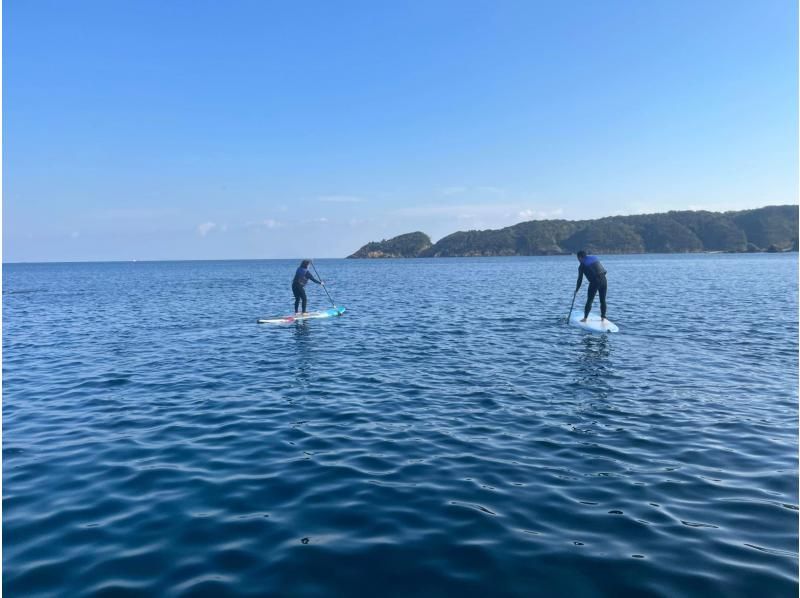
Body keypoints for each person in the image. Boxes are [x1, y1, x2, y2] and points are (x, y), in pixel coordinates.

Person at [575, 250, 608, 322]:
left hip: (595, 282)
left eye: (578, 258)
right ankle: (603, 318)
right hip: (604, 280)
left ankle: (585, 318)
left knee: (589, 300)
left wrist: (576, 290)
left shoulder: (582, 266)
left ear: (580, 257)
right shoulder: (594, 258)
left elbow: (580, 279)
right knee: (602, 300)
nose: (578, 260)